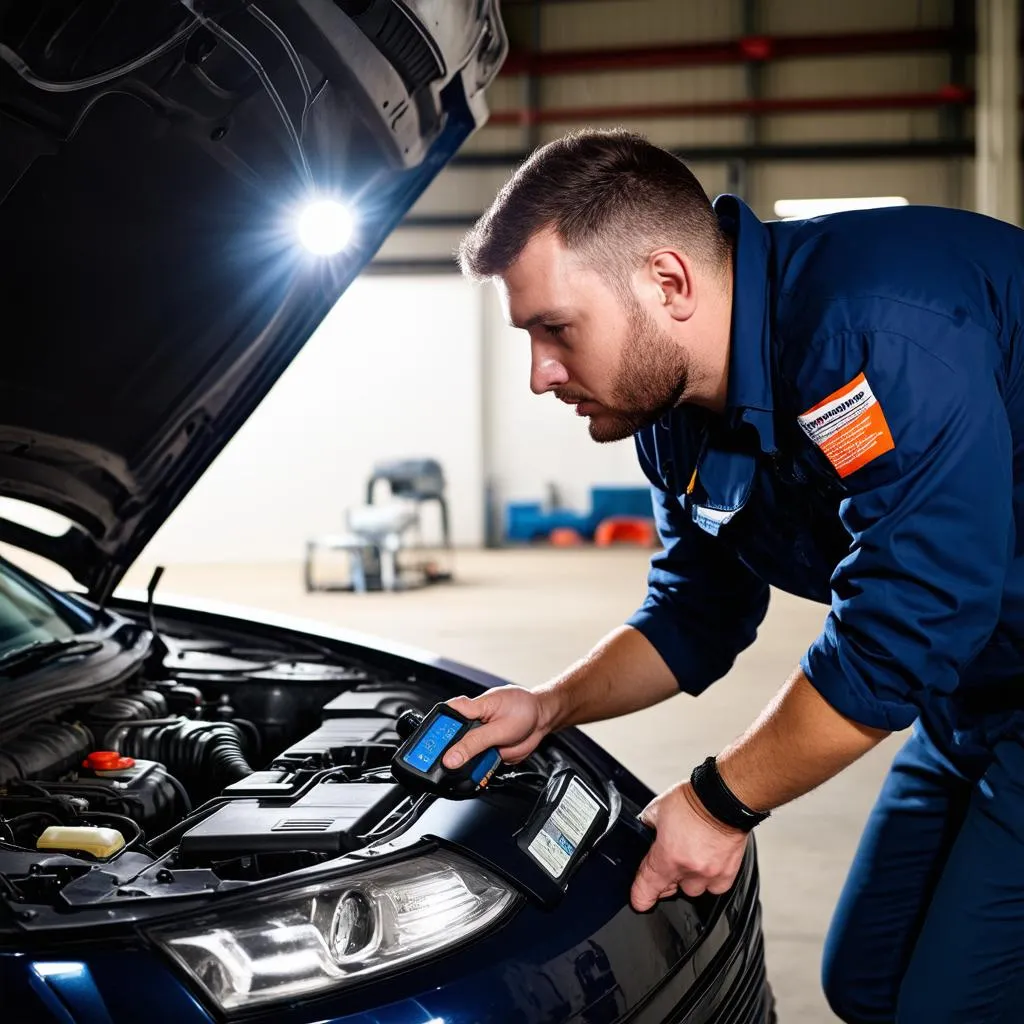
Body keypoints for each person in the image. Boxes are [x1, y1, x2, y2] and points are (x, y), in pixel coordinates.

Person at [444, 128, 1024, 1022]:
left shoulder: (868, 331)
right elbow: (694, 613)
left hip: (984, 671)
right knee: (865, 983)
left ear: (667, 282)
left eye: (556, 329)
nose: (539, 374)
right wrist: (549, 705)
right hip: (972, 696)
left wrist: (717, 805)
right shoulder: (670, 413)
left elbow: (909, 619)